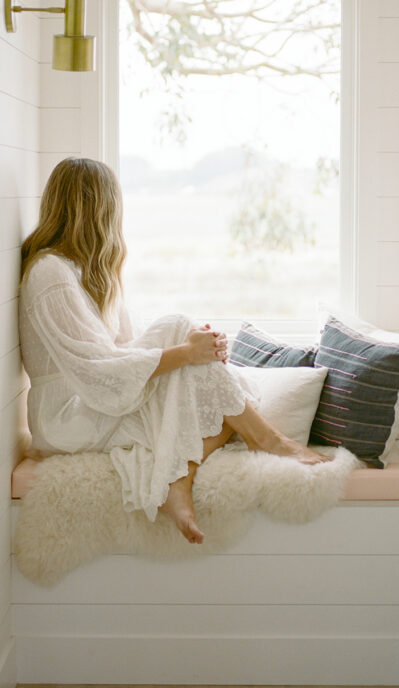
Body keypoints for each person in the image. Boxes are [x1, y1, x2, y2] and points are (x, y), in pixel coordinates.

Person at [19, 157, 327, 544]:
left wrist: (192, 349)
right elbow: (98, 373)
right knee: (196, 365)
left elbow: (124, 347)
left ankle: (184, 475)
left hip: (94, 397)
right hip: (67, 417)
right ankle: (265, 440)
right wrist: (187, 354)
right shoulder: (51, 274)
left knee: (185, 337)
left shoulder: (85, 269)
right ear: (100, 208)